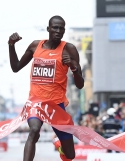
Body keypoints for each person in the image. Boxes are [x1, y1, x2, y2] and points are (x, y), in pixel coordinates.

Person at [8, 15, 84, 161]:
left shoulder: (69, 49)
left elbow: (80, 85)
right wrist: (11, 45)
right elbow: (16, 67)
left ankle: (59, 145)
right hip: (36, 103)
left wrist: (74, 69)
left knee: (70, 155)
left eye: (61, 28)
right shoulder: (35, 46)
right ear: (48, 29)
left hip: (56, 105)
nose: (58, 31)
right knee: (34, 131)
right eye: (55, 27)